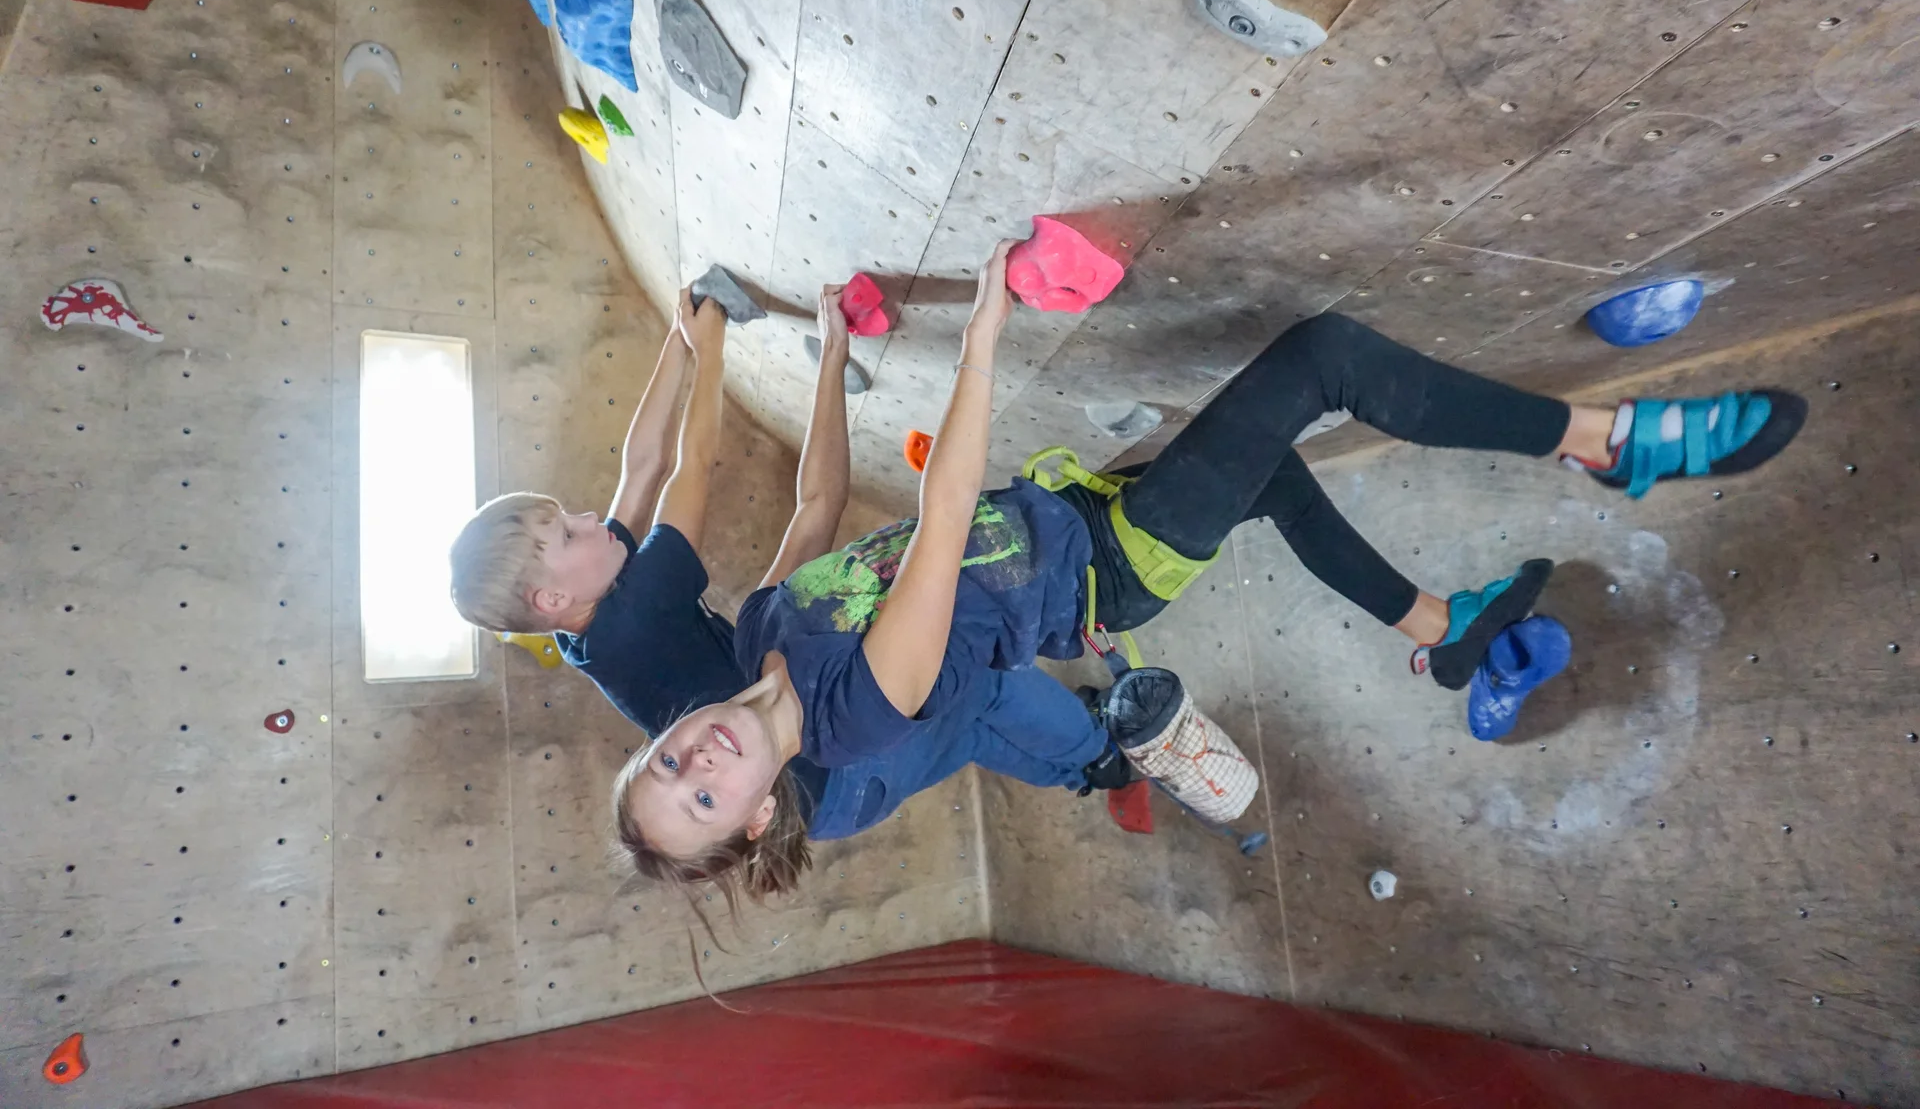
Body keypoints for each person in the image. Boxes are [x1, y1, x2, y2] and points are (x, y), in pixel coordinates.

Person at [612, 240, 1807, 911]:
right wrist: (982, 343)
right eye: (707, 800)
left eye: (669, 761)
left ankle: (1443, 629)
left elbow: (820, 501)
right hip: (1104, 573)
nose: (699, 762)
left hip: (1067, 506)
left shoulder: (762, 625)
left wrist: (829, 357)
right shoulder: (857, 719)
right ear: (763, 811)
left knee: (1272, 475)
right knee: (1323, 360)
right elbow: (933, 533)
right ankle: (1614, 445)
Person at [448, 280, 866, 865]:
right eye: (567, 532)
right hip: (825, 781)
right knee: (815, 524)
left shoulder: (583, 603)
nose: (590, 518)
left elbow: (641, 469)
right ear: (550, 597)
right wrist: (713, 346)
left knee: (814, 520)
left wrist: (679, 336)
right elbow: (690, 466)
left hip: (763, 699)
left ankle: (834, 359)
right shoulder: (635, 617)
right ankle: (833, 356)